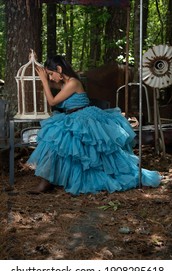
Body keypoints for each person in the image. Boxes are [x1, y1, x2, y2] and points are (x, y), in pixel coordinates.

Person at [27, 55, 161, 195]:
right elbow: (49, 86)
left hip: (84, 117)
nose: (50, 78)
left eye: (50, 74)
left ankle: (48, 182)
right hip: (72, 116)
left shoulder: (73, 82)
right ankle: (47, 181)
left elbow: (52, 102)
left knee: (87, 150)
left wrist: (43, 79)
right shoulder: (64, 83)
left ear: (59, 69)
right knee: (55, 141)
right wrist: (35, 64)